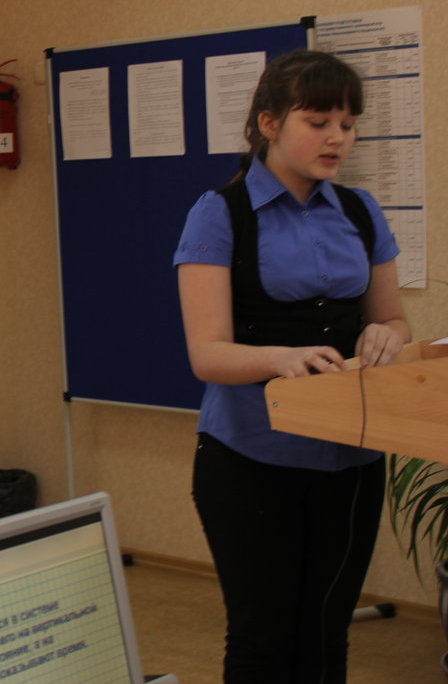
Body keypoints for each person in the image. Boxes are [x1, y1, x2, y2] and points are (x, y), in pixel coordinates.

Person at [173, 49, 411, 683]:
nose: (338, 138)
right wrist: (283, 359)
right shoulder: (219, 212)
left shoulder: (361, 210)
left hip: (351, 458)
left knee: (326, 636)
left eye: (348, 123)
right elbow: (207, 354)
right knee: (263, 640)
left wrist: (386, 336)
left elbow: (394, 320)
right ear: (270, 123)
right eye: (318, 121)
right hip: (251, 458)